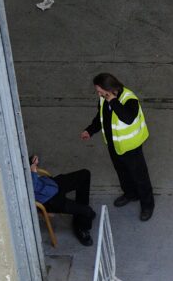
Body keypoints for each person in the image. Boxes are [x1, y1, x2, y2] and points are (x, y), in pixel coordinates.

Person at [80, 72, 154, 221]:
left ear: (110, 88)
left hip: (131, 147)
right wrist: (90, 130)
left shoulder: (129, 99)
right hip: (114, 145)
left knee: (140, 177)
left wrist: (113, 101)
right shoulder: (103, 99)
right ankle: (130, 194)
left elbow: (127, 118)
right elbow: (101, 118)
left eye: (100, 91)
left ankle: (147, 205)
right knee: (122, 172)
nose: (99, 94)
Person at [30, 155, 96, 246]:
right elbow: (30, 189)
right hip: (49, 200)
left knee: (85, 174)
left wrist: (32, 161)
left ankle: (81, 216)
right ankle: (81, 228)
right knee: (87, 211)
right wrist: (33, 172)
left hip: (51, 184)